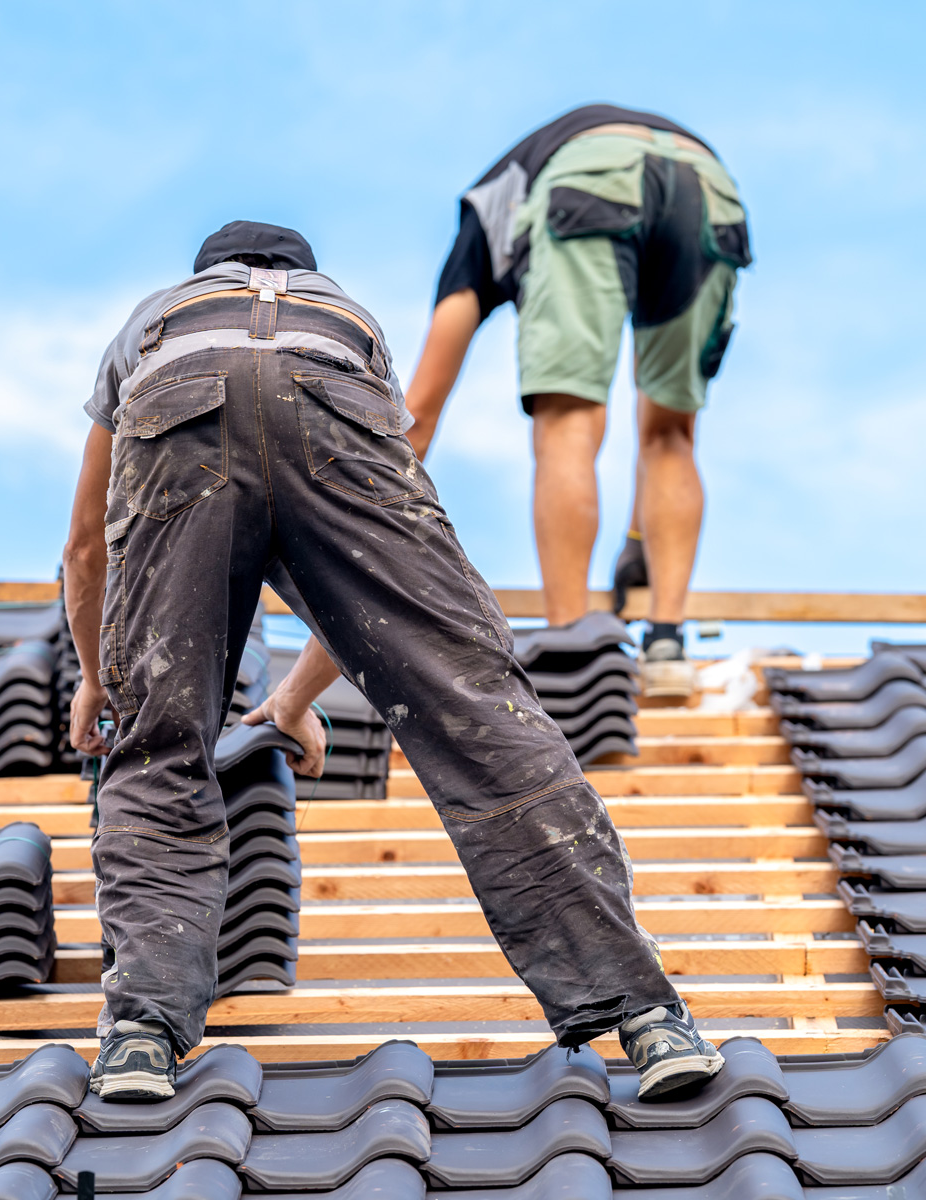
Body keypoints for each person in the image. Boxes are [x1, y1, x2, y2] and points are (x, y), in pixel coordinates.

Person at [63, 219, 724, 1104]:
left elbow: (83, 549)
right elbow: (371, 594)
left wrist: (103, 683)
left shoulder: (152, 321)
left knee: (158, 745)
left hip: (174, 413)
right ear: (301, 273)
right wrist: (298, 699)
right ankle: (648, 1018)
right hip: (332, 404)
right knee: (480, 714)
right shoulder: (346, 318)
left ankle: (140, 1036)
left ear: (206, 274)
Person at [405, 104, 752, 697]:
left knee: (568, 420)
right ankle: (666, 643)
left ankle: (572, 648)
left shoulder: (479, 227)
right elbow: (655, 432)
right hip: (710, 187)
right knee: (671, 433)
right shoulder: (514, 187)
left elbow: (420, 414)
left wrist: (362, 518)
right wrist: (635, 543)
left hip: (590, 176)